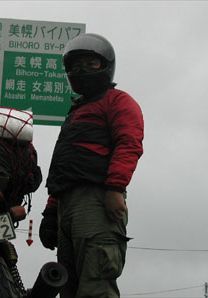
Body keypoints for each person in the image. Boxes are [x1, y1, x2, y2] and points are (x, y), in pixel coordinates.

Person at [39, 33, 144, 298]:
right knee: (68, 287)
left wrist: (115, 188)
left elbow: (129, 143)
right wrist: (51, 213)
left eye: (90, 63)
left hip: (96, 201)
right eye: (75, 66)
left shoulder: (118, 101)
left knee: (96, 284)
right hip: (67, 205)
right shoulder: (75, 111)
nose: (82, 70)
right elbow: (65, 168)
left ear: (106, 65)